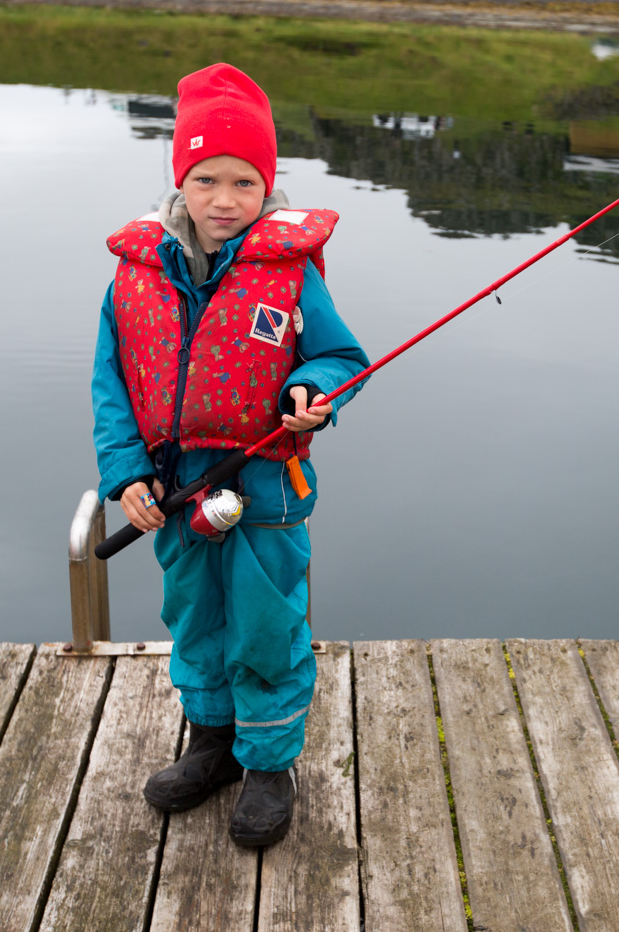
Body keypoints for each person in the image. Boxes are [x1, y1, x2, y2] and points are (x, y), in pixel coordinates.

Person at [91, 63, 368, 846]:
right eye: (206, 178)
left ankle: (270, 764)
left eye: (244, 182)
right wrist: (125, 474)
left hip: (266, 488)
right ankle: (212, 742)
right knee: (193, 616)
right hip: (174, 490)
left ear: (268, 186)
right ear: (180, 181)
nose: (224, 200)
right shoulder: (134, 275)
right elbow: (110, 383)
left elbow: (342, 357)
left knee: (265, 623)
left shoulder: (290, 271)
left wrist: (314, 393)